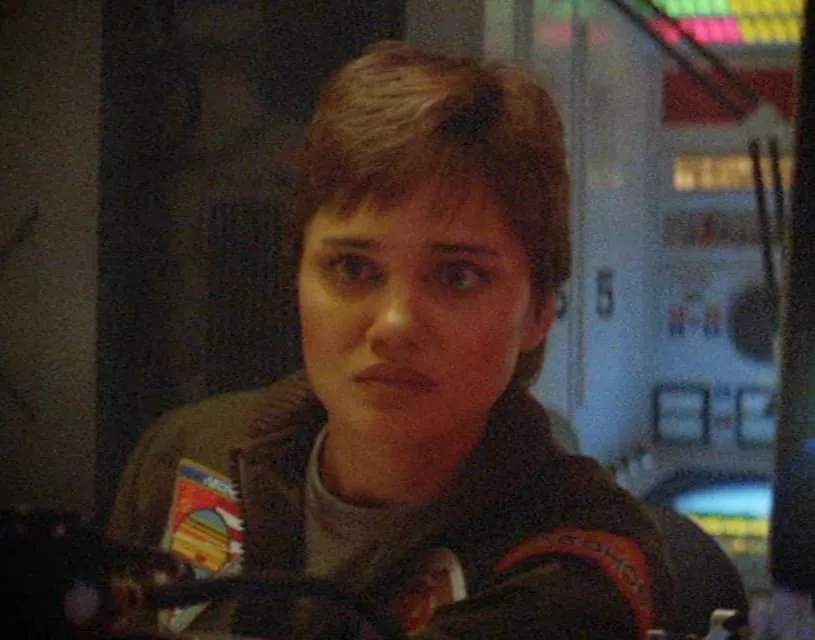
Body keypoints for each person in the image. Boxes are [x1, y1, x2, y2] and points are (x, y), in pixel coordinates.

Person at [108, 40, 704, 639]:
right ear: (296, 277)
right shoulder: (188, 454)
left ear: (540, 311)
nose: (394, 324)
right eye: (353, 269)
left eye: (458, 276)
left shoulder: (583, 564)